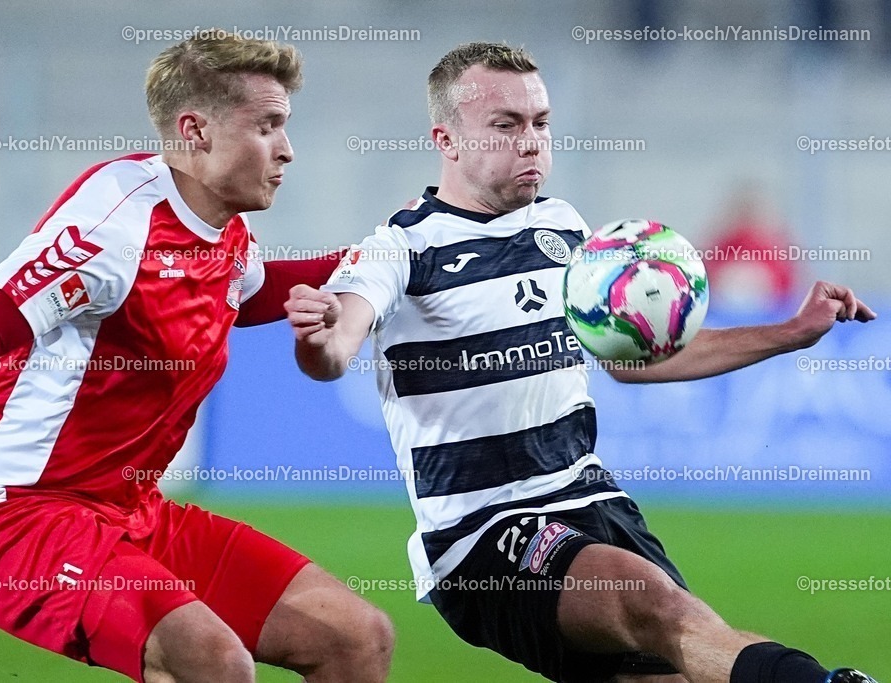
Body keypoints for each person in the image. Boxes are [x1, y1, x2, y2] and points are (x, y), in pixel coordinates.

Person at [285, 41, 878, 683]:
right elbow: (335, 348)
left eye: (540, 122)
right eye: (506, 125)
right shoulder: (401, 249)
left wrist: (790, 332)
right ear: (447, 140)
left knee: (684, 654)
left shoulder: (566, 229)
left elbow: (632, 360)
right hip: (483, 534)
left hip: (594, 500)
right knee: (658, 607)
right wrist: (319, 338)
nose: (532, 141)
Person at [0, 32, 394, 683]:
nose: (287, 149)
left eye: (285, 125)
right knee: (213, 663)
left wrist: (382, 254)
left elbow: (248, 291)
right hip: (17, 517)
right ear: (196, 130)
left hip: (133, 512)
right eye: (266, 126)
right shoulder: (111, 231)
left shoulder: (220, 221)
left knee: (357, 637)